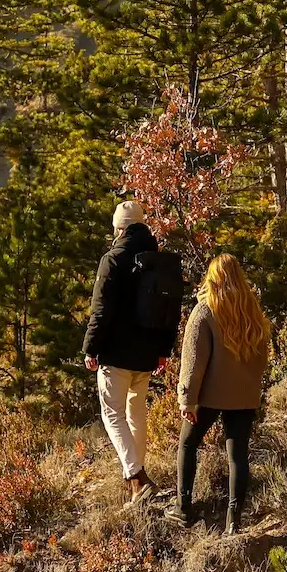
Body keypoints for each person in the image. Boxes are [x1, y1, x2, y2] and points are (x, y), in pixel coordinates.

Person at [82, 201, 180, 499]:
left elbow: (101, 311)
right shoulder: (158, 260)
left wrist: (90, 348)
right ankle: (139, 481)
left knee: (112, 413)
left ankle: (136, 477)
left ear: (119, 227)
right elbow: (171, 312)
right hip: (148, 354)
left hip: (116, 354)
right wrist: (164, 350)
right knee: (136, 413)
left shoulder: (112, 260)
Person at [175, 254, 270, 532]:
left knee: (188, 444)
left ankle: (183, 508)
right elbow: (261, 357)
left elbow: (193, 361)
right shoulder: (252, 312)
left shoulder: (205, 310)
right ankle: (233, 522)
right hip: (243, 396)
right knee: (237, 455)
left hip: (209, 396)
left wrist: (187, 399)